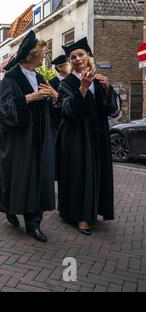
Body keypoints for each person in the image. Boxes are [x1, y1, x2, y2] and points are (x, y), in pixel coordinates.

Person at [0, 31, 56, 242]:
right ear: (32, 55)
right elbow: (2, 109)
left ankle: (34, 223)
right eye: (42, 53)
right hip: (19, 140)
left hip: (39, 137)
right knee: (18, 177)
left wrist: (52, 98)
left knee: (39, 177)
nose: (44, 57)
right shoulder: (10, 79)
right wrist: (29, 98)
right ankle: (11, 209)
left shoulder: (40, 78)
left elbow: (48, 108)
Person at [57, 38, 119, 235]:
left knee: (97, 172)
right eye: (73, 57)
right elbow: (67, 110)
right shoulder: (67, 83)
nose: (77, 59)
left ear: (89, 56)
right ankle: (80, 216)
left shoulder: (99, 79)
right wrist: (83, 88)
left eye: (81, 55)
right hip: (76, 136)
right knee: (80, 173)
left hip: (97, 134)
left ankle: (93, 210)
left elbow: (111, 109)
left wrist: (108, 87)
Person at [49, 55, 69, 143]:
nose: (71, 66)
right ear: (60, 68)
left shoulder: (74, 80)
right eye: (67, 64)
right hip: (59, 120)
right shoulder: (52, 83)